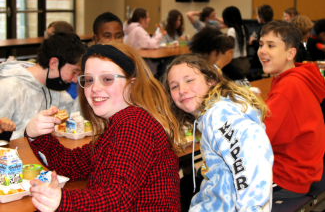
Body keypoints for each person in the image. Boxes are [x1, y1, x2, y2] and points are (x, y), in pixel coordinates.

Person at [26, 42, 182, 211]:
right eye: (89, 80)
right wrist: (36, 134)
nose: (95, 88)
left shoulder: (135, 125)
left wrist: (63, 201)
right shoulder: (119, 124)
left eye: (107, 79)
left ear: (132, 84)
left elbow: (116, 199)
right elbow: (71, 164)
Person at [163, 54, 273, 211]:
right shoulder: (213, 112)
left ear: (211, 81)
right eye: (174, 86)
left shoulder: (218, 115)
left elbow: (254, 160)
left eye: (189, 80)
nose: (182, 90)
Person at [258, 20, 325, 199]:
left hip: (290, 176)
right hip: (306, 167)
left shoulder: (288, 86)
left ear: (291, 53)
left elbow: (259, 137)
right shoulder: (296, 77)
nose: (262, 50)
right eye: (261, 44)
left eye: (271, 45)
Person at [0, 32, 86, 140]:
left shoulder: (56, 89)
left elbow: (73, 118)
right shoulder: (8, 88)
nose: (74, 80)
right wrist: (26, 132)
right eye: (74, 72)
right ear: (54, 63)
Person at [222, 6, 250, 76]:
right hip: (245, 62)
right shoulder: (243, 28)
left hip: (236, 64)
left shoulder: (232, 30)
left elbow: (229, 47)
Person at [249, 4, 274, 70]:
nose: (257, 17)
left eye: (257, 15)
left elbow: (260, 46)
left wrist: (253, 41)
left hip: (262, 58)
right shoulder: (274, 27)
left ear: (261, 17)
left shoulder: (263, 29)